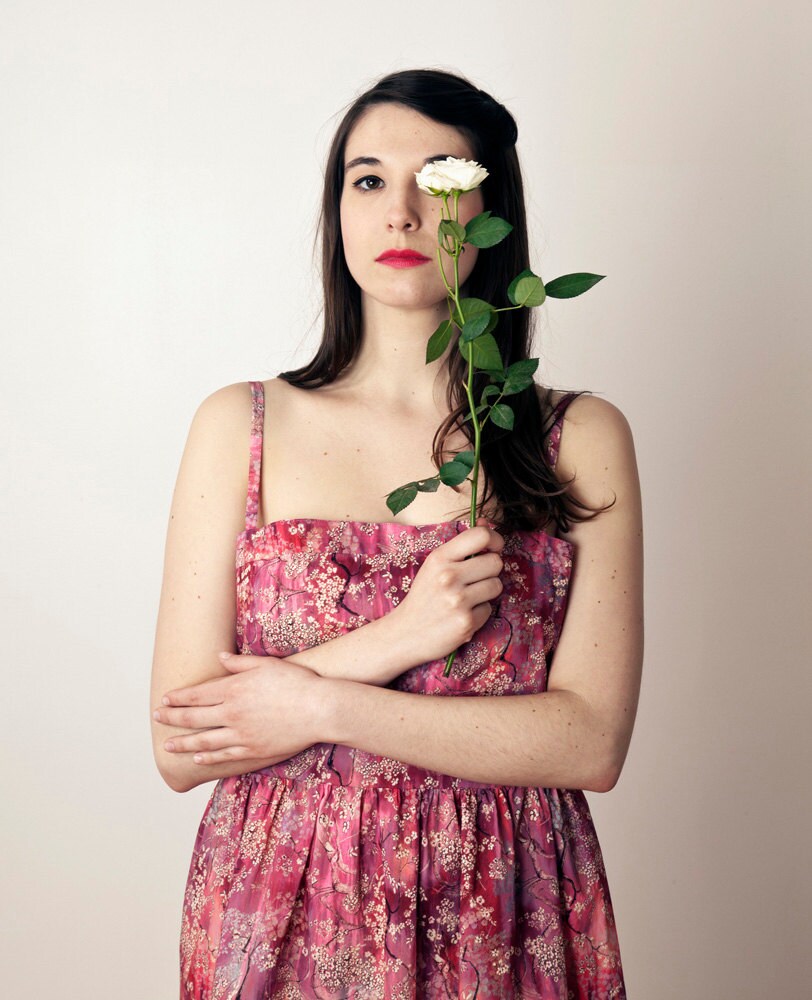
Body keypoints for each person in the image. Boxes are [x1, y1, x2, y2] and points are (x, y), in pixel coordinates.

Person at [150, 67, 643, 999]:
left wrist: (321, 705)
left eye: (443, 177)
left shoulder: (576, 437)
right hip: (282, 905)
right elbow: (182, 743)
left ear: (492, 208)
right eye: (369, 179)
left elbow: (590, 744)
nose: (403, 212)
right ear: (337, 211)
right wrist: (398, 640)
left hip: (508, 904)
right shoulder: (239, 425)